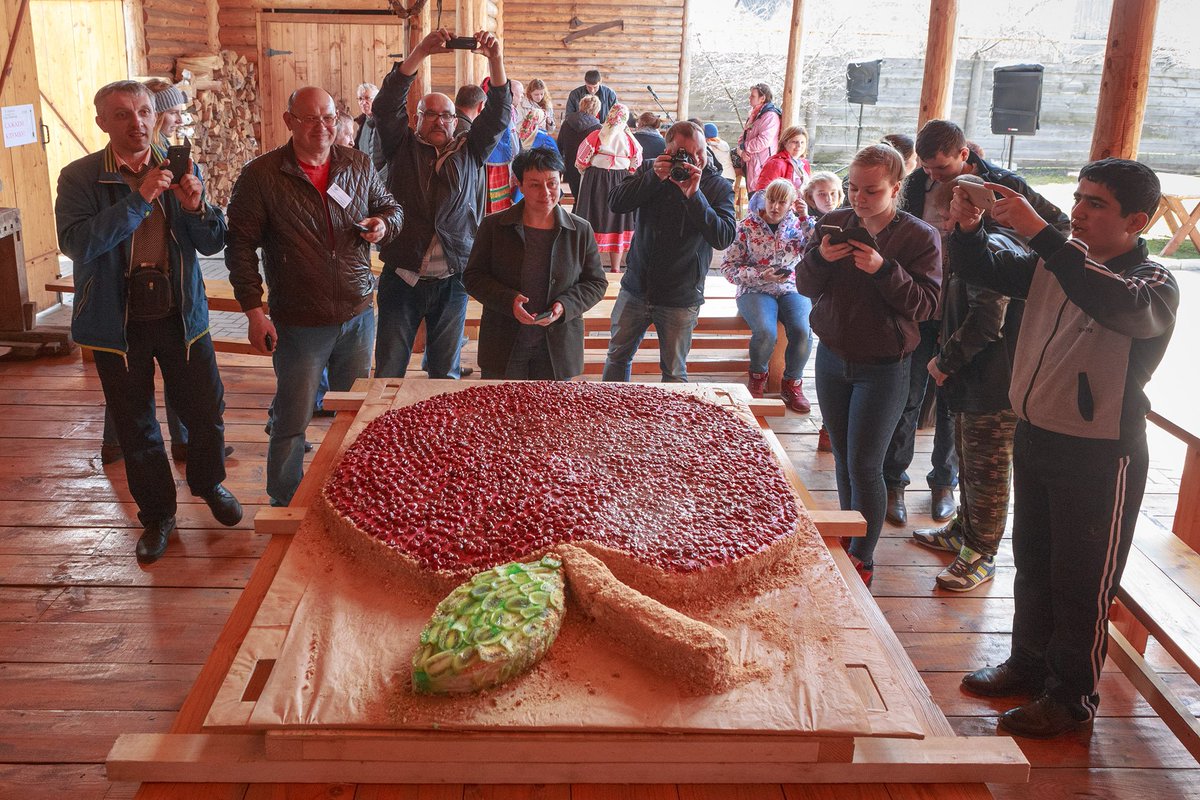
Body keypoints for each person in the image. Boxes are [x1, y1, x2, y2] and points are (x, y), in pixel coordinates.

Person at [951, 158, 1178, 738]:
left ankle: (1072, 697)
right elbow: (989, 267)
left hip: (1101, 455)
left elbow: (1113, 303)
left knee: (1082, 584)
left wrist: (1043, 234)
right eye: (1077, 198)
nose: (1077, 211)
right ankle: (1028, 664)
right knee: (1033, 564)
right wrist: (969, 226)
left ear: (1138, 220)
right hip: (1036, 433)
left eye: (1095, 203)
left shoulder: (1151, 284)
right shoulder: (1059, 262)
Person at [56, 80, 242, 564]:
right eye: (121, 115)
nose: (136, 123)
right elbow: (78, 244)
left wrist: (197, 206)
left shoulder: (179, 165)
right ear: (102, 122)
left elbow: (211, 242)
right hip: (116, 327)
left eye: (142, 112)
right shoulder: (79, 177)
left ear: (153, 115)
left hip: (182, 318)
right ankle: (158, 515)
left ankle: (209, 483)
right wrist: (138, 199)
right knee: (137, 428)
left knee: (205, 412)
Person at [225, 86, 403, 508]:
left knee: (354, 412)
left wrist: (382, 224)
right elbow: (239, 248)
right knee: (293, 416)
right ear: (289, 121)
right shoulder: (261, 176)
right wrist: (254, 312)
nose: (321, 127)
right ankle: (283, 499)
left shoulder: (357, 163)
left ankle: (351, 495)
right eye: (309, 119)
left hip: (358, 313)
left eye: (328, 117)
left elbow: (392, 208)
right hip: (299, 320)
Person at [887, 119, 1069, 526]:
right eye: (927, 168)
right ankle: (894, 483)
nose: (933, 176)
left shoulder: (1006, 185)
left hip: (971, 308)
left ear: (964, 155)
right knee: (907, 397)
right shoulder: (916, 184)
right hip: (922, 304)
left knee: (953, 404)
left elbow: (1058, 228)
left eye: (942, 169)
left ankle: (942, 484)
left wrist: (1006, 246)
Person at [795, 143, 942, 587]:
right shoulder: (834, 222)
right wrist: (820, 258)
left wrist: (883, 269)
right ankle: (846, 538)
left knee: (865, 464)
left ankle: (863, 558)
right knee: (842, 456)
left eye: (871, 191)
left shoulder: (919, 236)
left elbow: (927, 306)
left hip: (884, 366)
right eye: (852, 188)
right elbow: (804, 284)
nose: (858, 199)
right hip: (832, 357)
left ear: (896, 188)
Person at [370, 28, 512, 380]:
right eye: (429, 114)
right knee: (389, 368)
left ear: (456, 120)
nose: (439, 120)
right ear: (417, 118)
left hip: (453, 279)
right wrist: (420, 52)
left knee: (444, 372)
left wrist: (495, 59)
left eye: (446, 115)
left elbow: (498, 114)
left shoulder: (470, 149)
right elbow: (386, 104)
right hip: (402, 275)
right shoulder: (399, 145)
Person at [602, 121, 736, 383]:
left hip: (682, 295)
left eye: (700, 152)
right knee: (617, 357)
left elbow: (723, 237)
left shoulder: (717, 185)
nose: (695, 160)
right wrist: (653, 176)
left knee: (674, 372)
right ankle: (610, 416)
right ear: (668, 151)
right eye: (684, 154)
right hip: (637, 287)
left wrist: (694, 196)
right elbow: (616, 203)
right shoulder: (651, 169)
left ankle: (673, 424)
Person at [464, 146, 608, 380]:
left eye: (552, 183)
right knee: (500, 411)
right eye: (534, 185)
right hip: (504, 342)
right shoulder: (494, 227)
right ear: (519, 185)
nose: (546, 193)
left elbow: (595, 283)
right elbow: (473, 277)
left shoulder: (580, 230)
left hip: (558, 346)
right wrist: (508, 300)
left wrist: (564, 305)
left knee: (552, 413)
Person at [720, 178, 812, 411]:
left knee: (803, 329)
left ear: (792, 203)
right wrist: (761, 275)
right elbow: (728, 267)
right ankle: (757, 377)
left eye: (782, 202)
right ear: (764, 199)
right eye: (772, 200)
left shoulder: (798, 224)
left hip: (791, 287)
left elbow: (818, 248)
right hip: (755, 289)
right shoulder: (746, 226)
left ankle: (792, 383)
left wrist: (804, 218)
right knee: (765, 331)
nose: (775, 206)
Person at [575, 103, 642, 273]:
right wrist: (625, 171)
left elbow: (581, 158)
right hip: (621, 180)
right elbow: (636, 162)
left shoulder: (598, 135)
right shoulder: (630, 139)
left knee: (594, 217)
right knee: (617, 220)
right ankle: (615, 267)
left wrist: (586, 170)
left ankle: (592, 267)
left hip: (596, 180)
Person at [735, 83, 781, 191]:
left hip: (762, 164)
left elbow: (764, 141)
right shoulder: (755, 115)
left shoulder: (770, 116)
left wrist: (744, 147)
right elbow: (744, 136)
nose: (749, 98)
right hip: (751, 162)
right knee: (752, 196)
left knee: (761, 196)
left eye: (753, 96)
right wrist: (741, 151)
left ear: (762, 98)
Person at [557, 94, 602, 198]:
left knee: (576, 196)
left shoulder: (567, 123)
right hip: (588, 169)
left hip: (570, 167)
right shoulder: (597, 128)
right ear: (596, 110)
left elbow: (560, 145)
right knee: (584, 198)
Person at [754, 124, 810, 194]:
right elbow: (762, 192)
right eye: (795, 142)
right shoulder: (775, 164)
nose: (799, 146)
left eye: (802, 142)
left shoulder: (804, 164)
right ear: (785, 143)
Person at [353, 82, 386, 179]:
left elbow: (394, 157)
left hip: (385, 181)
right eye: (360, 99)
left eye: (367, 98)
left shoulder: (387, 123)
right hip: (366, 178)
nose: (363, 102)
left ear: (378, 99)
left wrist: (379, 179)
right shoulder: (362, 122)